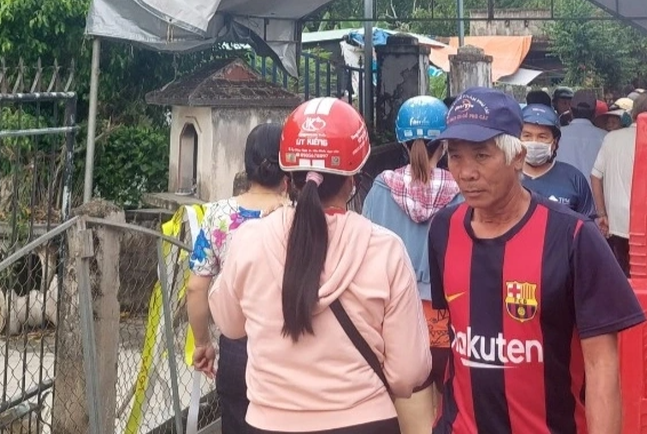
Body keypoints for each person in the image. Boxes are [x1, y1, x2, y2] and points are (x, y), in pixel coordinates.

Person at [426, 87, 645, 434]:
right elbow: (452, 340)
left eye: (481, 156)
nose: (466, 172)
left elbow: (602, 365)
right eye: (455, 156)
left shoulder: (573, 237)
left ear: (517, 157)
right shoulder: (443, 229)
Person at [210, 98, 431, 434]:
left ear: (289, 177)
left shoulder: (249, 240)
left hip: (267, 423)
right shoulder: (385, 250)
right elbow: (407, 374)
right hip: (365, 422)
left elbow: (230, 324)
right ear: (354, 178)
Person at [362, 96, 462, 431]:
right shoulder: (463, 192)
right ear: (444, 144)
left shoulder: (380, 188)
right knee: (452, 410)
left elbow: (366, 254)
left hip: (396, 319)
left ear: (403, 142)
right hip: (449, 317)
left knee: (413, 422)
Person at [186, 123, 291, 433]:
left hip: (235, 351)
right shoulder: (299, 214)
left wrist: (203, 343)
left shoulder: (218, 216)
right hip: (289, 350)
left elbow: (195, 287)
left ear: (247, 164)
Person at [590, 94, 647, 276]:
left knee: (625, 277)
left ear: (634, 113)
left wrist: (602, 214)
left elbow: (595, 176)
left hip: (618, 223)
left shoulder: (612, 138)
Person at [519, 104, 599, 223]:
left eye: (542, 137)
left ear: (555, 143)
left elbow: (587, 227)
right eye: (527, 136)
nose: (534, 142)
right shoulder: (504, 177)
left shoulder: (574, 179)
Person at [557, 89, 607, 176]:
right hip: (595, 189)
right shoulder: (605, 137)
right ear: (594, 112)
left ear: (570, 111)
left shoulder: (557, 135)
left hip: (564, 188)